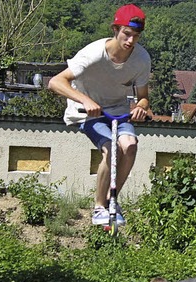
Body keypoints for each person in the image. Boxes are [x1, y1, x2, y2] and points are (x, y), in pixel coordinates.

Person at [48, 4, 151, 226]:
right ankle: (98, 207)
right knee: (112, 149)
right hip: (88, 113)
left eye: (136, 36)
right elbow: (55, 82)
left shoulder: (142, 60)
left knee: (130, 145)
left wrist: (141, 107)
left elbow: (143, 97)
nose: (131, 41)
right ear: (115, 29)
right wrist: (85, 100)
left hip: (118, 112)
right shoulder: (93, 54)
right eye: (127, 34)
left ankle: (112, 200)